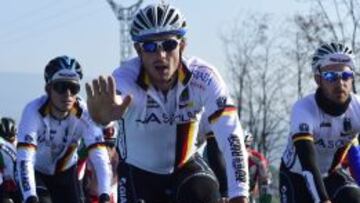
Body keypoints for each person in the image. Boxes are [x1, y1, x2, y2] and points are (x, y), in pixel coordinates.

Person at [85, 3, 249, 203]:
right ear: (138, 50)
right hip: (138, 174)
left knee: (205, 193)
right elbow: (116, 99)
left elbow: (230, 134)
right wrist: (102, 115)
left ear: (182, 46)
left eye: (169, 45)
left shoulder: (203, 78)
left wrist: (240, 193)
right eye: (150, 47)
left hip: (186, 167)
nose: (160, 55)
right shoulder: (125, 78)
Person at [16, 56, 112, 203]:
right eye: (61, 87)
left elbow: (100, 157)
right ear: (48, 89)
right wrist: (30, 197)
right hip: (36, 171)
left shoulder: (85, 113)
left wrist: (105, 195)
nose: (67, 94)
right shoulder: (33, 111)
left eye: (73, 88)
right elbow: (25, 160)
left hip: (66, 172)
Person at [279, 42, 360, 203]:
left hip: (331, 174)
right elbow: (308, 165)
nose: (340, 83)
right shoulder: (303, 109)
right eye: (331, 76)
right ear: (318, 79)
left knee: (353, 198)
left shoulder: (357, 108)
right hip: (296, 175)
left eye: (345, 75)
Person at [243, 131, 272, 203]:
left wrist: (253, 158)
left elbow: (265, 175)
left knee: (265, 181)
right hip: (238, 187)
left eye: (246, 146)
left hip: (253, 187)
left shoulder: (257, 156)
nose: (244, 149)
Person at [0, 117, 21, 203]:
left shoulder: (21, 143)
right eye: (6, 138)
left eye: (12, 137)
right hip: (3, 186)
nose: (9, 140)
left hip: (19, 185)